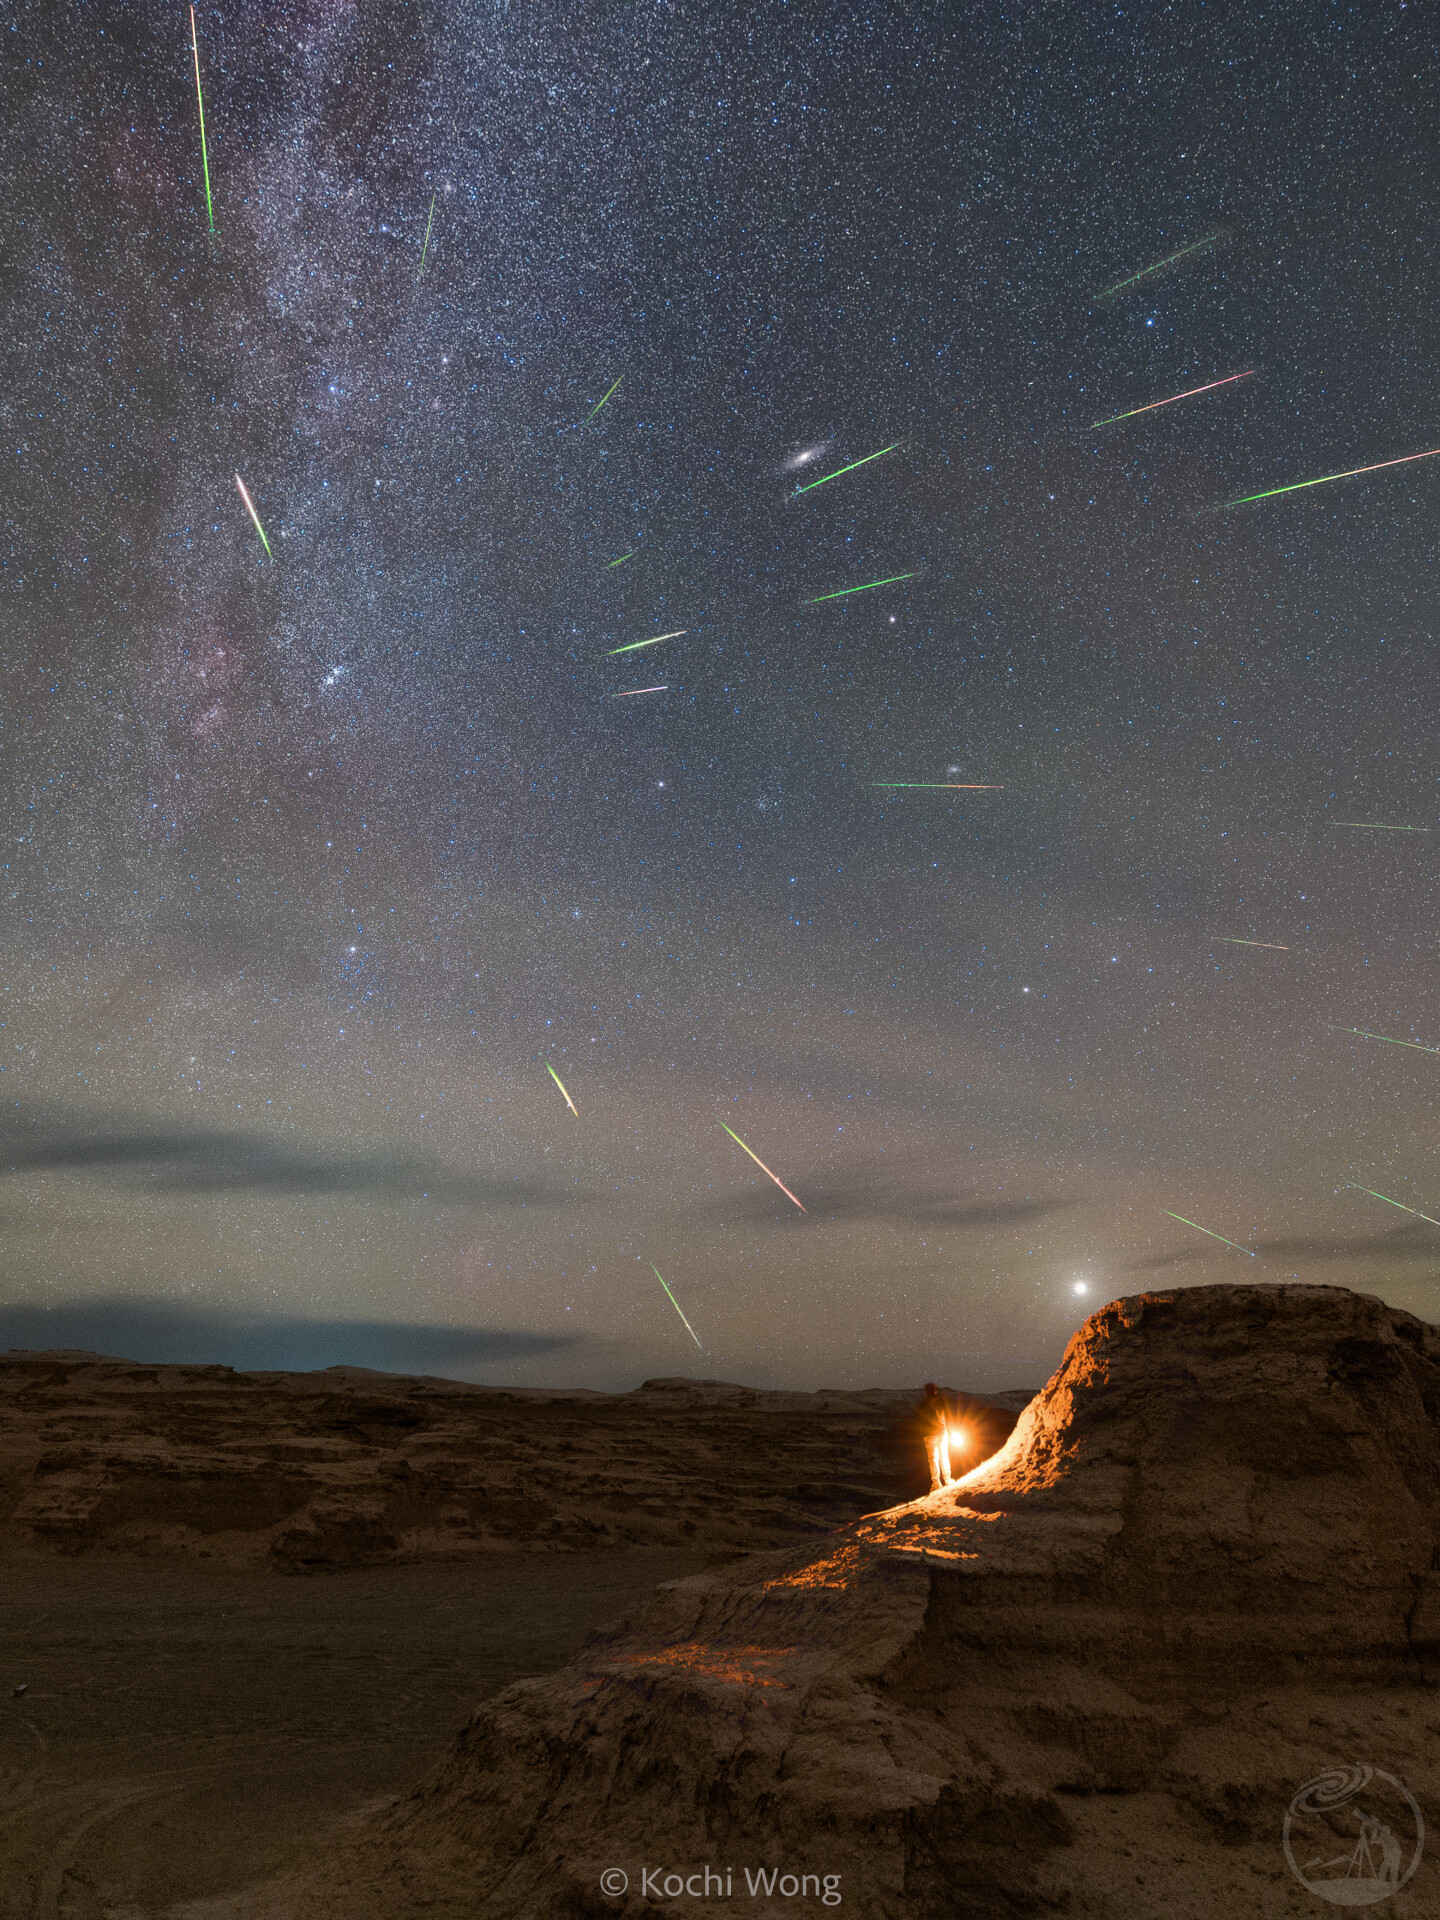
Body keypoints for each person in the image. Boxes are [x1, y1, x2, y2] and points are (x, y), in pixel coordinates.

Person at [920, 1382, 955, 1492]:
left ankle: (936, 1483)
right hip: (942, 1432)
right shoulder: (941, 1401)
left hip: (929, 1434)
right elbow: (948, 1416)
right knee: (943, 1455)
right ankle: (947, 1479)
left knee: (933, 1458)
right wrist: (951, 1430)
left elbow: (920, 1421)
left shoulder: (924, 1404)